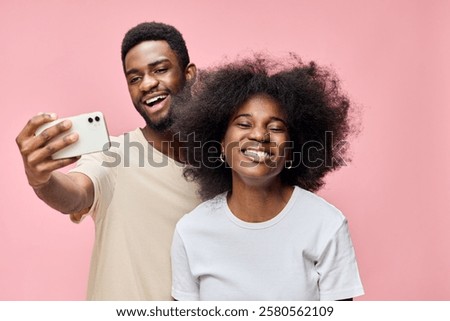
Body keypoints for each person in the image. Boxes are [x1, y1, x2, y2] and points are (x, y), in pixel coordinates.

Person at [15, 22, 201, 300]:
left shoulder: (222, 165)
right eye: (134, 78)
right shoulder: (112, 154)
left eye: (160, 69)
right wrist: (41, 181)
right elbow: (76, 193)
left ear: (189, 75)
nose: (147, 84)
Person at [170, 55, 364, 300]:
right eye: (243, 124)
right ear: (219, 144)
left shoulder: (326, 224)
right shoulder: (191, 231)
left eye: (275, 128)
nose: (260, 135)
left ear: (293, 148)